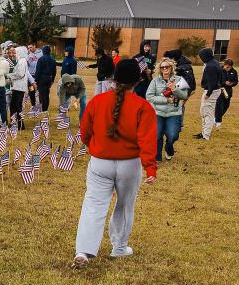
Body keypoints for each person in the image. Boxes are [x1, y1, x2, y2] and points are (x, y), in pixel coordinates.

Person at [72, 58, 156, 268]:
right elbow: (147, 140)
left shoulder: (97, 101)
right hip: (129, 164)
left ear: (113, 78)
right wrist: (150, 168)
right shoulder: (143, 107)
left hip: (100, 162)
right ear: (137, 81)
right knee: (125, 205)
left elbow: (85, 133)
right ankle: (119, 247)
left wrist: (96, 145)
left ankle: (83, 250)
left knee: (93, 204)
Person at [145, 57, 188, 161]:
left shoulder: (179, 79)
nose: (165, 68)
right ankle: (157, 158)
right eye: (162, 67)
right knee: (157, 135)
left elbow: (184, 95)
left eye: (167, 66)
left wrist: (174, 89)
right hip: (158, 112)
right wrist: (166, 100)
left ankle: (169, 148)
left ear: (171, 67)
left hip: (174, 113)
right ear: (159, 69)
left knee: (173, 135)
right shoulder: (155, 81)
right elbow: (149, 97)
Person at [195, 47, 223, 140]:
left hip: (211, 91)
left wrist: (208, 93)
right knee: (203, 112)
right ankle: (203, 133)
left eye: (201, 56)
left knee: (208, 113)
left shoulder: (211, 65)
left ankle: (205, 135)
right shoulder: (214, 62)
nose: (201, 58)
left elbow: (212, 81)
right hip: (213, 90)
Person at [9, 46, 30, 129]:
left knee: (16, 106)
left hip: (19, 87)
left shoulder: (22, 61)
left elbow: (20, 74)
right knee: (14, 106)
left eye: (15, 52)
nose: (14, 54)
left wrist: (10, 76)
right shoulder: (21, 61)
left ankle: (19, 125)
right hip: (17, 86)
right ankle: (16, 123)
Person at [35, 45, 57, 112]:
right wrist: (52, 79)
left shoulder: (41, 59)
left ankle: (43, 108)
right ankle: (46, 108)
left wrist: (36, 80)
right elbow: (54, 71)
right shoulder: (53, 60)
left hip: (41, 78)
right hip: (49, 78)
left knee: (42, 94)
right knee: (47, 93)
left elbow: (38, 70)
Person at [216, 59, 236, 126]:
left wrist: (232, 83)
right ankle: (218, 121)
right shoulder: (219, 70)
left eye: (229, 67)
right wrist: (224, 82)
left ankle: (216, 118)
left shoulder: (234, 72)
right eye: (226, 67)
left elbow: (236, 81)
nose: (228, 68)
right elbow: (217, 80)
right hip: (220, 90)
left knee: (226, 106)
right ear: (224, 65)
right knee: (220, 106)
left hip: (228, 92)